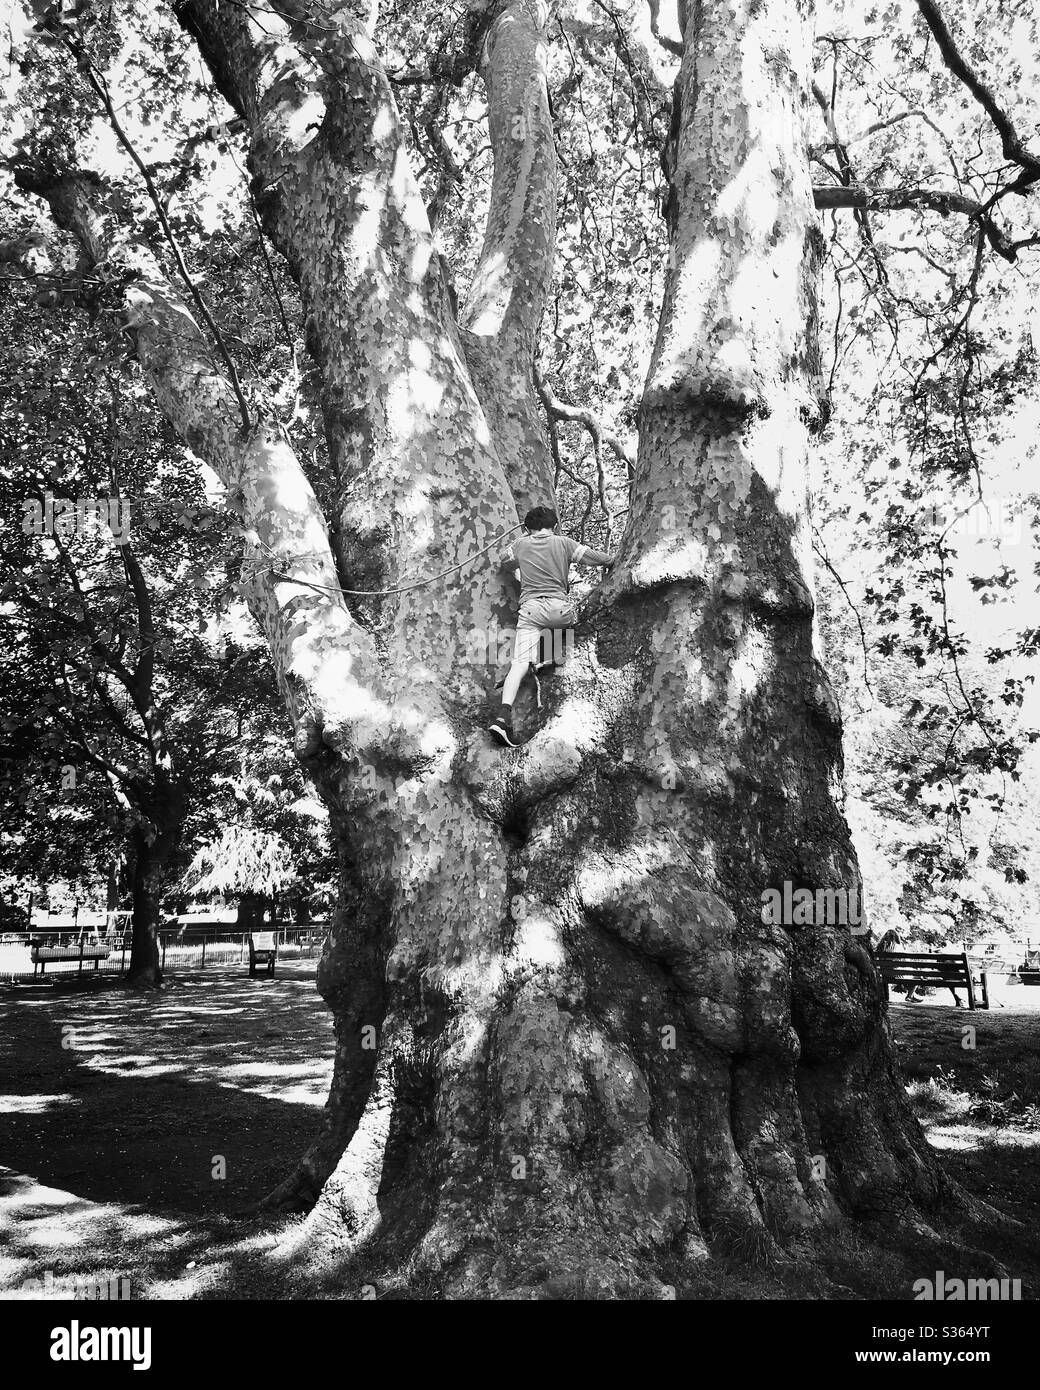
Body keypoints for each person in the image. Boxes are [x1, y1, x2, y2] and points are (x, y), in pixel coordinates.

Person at [488, 506, 615, 747]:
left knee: (518, 663)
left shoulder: (521, 544)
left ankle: (503, 717)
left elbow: (505, 562)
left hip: (530, 610)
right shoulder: (563, 543)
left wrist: (522, 543)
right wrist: (614, 560)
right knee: (565, 625)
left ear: (527, 529)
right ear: (554, 526)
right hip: (560, 611)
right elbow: (595, 558)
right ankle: (549, 657)